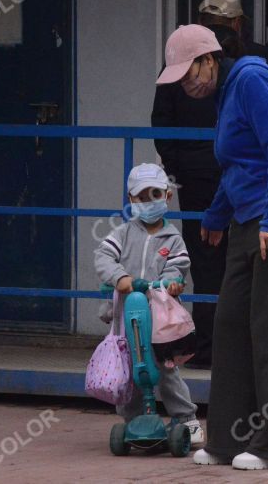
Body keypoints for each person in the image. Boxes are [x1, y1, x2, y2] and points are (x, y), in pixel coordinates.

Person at [156, 24, 268, 470]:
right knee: (230, 328)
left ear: (210, 59)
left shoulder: (251, 78)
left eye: (190, 74)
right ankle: (229, 440)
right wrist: (214, 215)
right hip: (247, 220)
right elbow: (237, 163)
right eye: (179, 80)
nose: (188, 86)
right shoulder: (224, 94)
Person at [151, 0, 268, 370]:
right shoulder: (255, 61)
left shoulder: (244, 70)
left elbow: (162, 122)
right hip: (234, 180)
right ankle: (238, 351)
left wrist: (179, 166)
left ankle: (210, 349)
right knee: (246, 265)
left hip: (207, 177)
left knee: (207, 265)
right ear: (238, 23)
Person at [94, 162, 204, 444]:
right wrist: (120, 277)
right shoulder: (123, 234)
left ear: (167, 196)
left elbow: (177, 268)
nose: (148, 202)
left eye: (154, 194)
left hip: (158, 320)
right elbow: (103, 258)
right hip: (125, 318)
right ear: (131, 201)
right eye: (141, 198)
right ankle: (133, 421)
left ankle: (185, 418)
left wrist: (172, 282)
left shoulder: (173, 238)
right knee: (129, 368)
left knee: (166, 369)